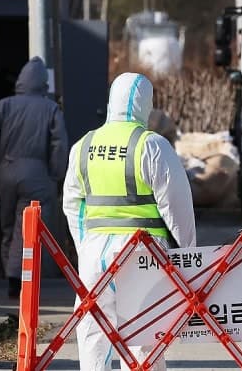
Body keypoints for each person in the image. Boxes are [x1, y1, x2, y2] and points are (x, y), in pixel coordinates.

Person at [63, 72, 196, 371]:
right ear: (144, 104)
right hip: (143, 255)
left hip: (94, 255)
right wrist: (188, 257)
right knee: (143, 336)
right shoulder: (151, 145)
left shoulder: (83, 146)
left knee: (94, 332)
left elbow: (72, 205)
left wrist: (84, 245)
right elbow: (177, 207)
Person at [0, 56, 68, 298]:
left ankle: (10, 273)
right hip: (37, 175)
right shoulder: (50, 109)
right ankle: (18, 278)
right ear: (44, 84)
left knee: (9, 224)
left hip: (5, 172)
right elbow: (59, 144)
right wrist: (55, 175)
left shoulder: (3, 106)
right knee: (27, 228)